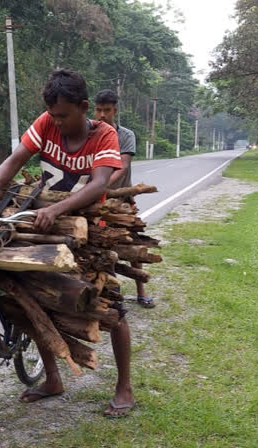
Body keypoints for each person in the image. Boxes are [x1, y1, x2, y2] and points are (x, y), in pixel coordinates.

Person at [0, 69, 136, 417]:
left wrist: (59, 208)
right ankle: (53, 379)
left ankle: (124, 387)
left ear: (83, 107)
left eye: (64, 115)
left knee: (111, 309)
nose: (57, 122)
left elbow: (99, 183)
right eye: (53, 115)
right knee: (31, 299)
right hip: (43, 223)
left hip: (88, 228)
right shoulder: (45, 123)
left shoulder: (104, 135)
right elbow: (14, 161)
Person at [93, 89, 154, 309]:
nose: (101, 115)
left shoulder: (126, 136)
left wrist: (101, 186)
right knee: (99, 245)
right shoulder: (90, 133)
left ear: (114, 111)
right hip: (96, 202)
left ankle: (141, 291)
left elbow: (122, 165)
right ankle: (107, 291)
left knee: (131, 246)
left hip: (122, 201)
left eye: (106, 110)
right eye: (98, 110)